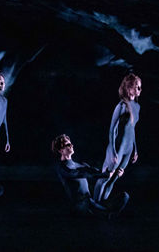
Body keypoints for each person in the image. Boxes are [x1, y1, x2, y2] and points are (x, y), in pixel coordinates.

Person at [51, 134, 128, 219]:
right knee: (106, 214)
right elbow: (81, 174)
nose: (72, 145)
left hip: (90, 202)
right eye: (68, 144)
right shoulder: (62, 168)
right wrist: (106, 174)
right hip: (80, 206)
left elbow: (93, 171)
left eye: (71, 143)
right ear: (61, 150)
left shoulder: (79, 165)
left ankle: (106, 213)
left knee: (124, 196)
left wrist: (116, 172)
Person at [94, 73, 141, 202]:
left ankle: (101, 206)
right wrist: (114, 151)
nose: (139, 90)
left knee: (114, 179)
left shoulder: (137, 106)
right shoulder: (121, 106)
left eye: (140, 87)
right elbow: (112, 130)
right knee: (105, 177)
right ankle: (94, 205)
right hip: (118, 149)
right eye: (136, 87)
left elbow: (132, 129)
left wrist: (135, 149)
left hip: (128, 149)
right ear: (129, 87)